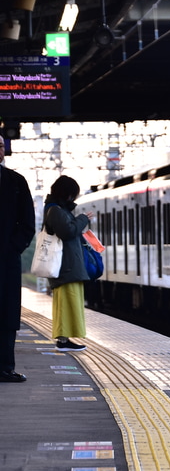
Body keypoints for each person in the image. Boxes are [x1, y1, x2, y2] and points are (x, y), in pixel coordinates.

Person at [44, 175, 93, 352]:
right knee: (65, 302)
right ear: (68, 195)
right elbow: (67, 231)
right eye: (73, 195)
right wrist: (82, 219)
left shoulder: (58, 209)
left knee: (68, 302)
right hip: (65, 266)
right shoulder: (55, 210)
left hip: (68, 265)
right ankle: (63, 341)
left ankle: (65, 339)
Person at [0, 139, 35, 382]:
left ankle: (5, 368)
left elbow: (28, 222)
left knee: (7, 314)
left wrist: (13, 249)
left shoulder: (15, 182)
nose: (0, 150)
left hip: (6, 260)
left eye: (1, 146)